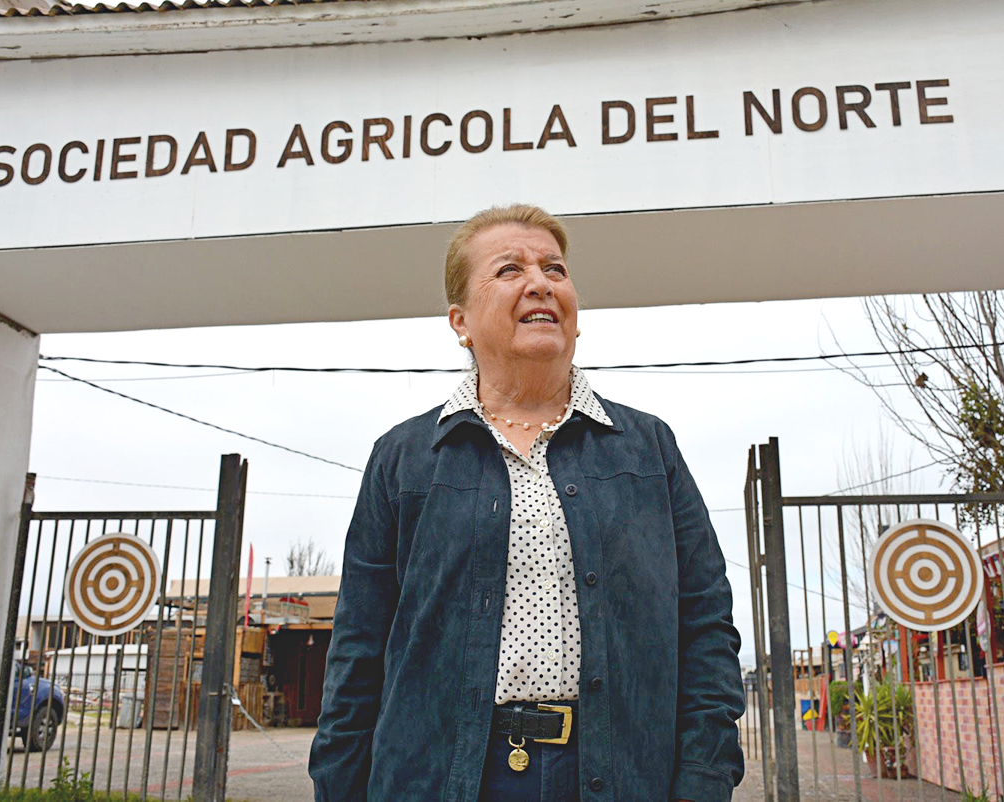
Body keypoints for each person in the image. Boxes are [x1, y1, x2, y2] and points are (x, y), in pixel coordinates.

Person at [310, 204, 745, 801]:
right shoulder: (404, 459)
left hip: (618, 776)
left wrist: (703, 780)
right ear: (460, 320)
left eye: (555, 269)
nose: (540, 282)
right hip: (438, 779)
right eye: (510, 269)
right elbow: (357, 650)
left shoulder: (649, 449)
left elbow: (706, 626)